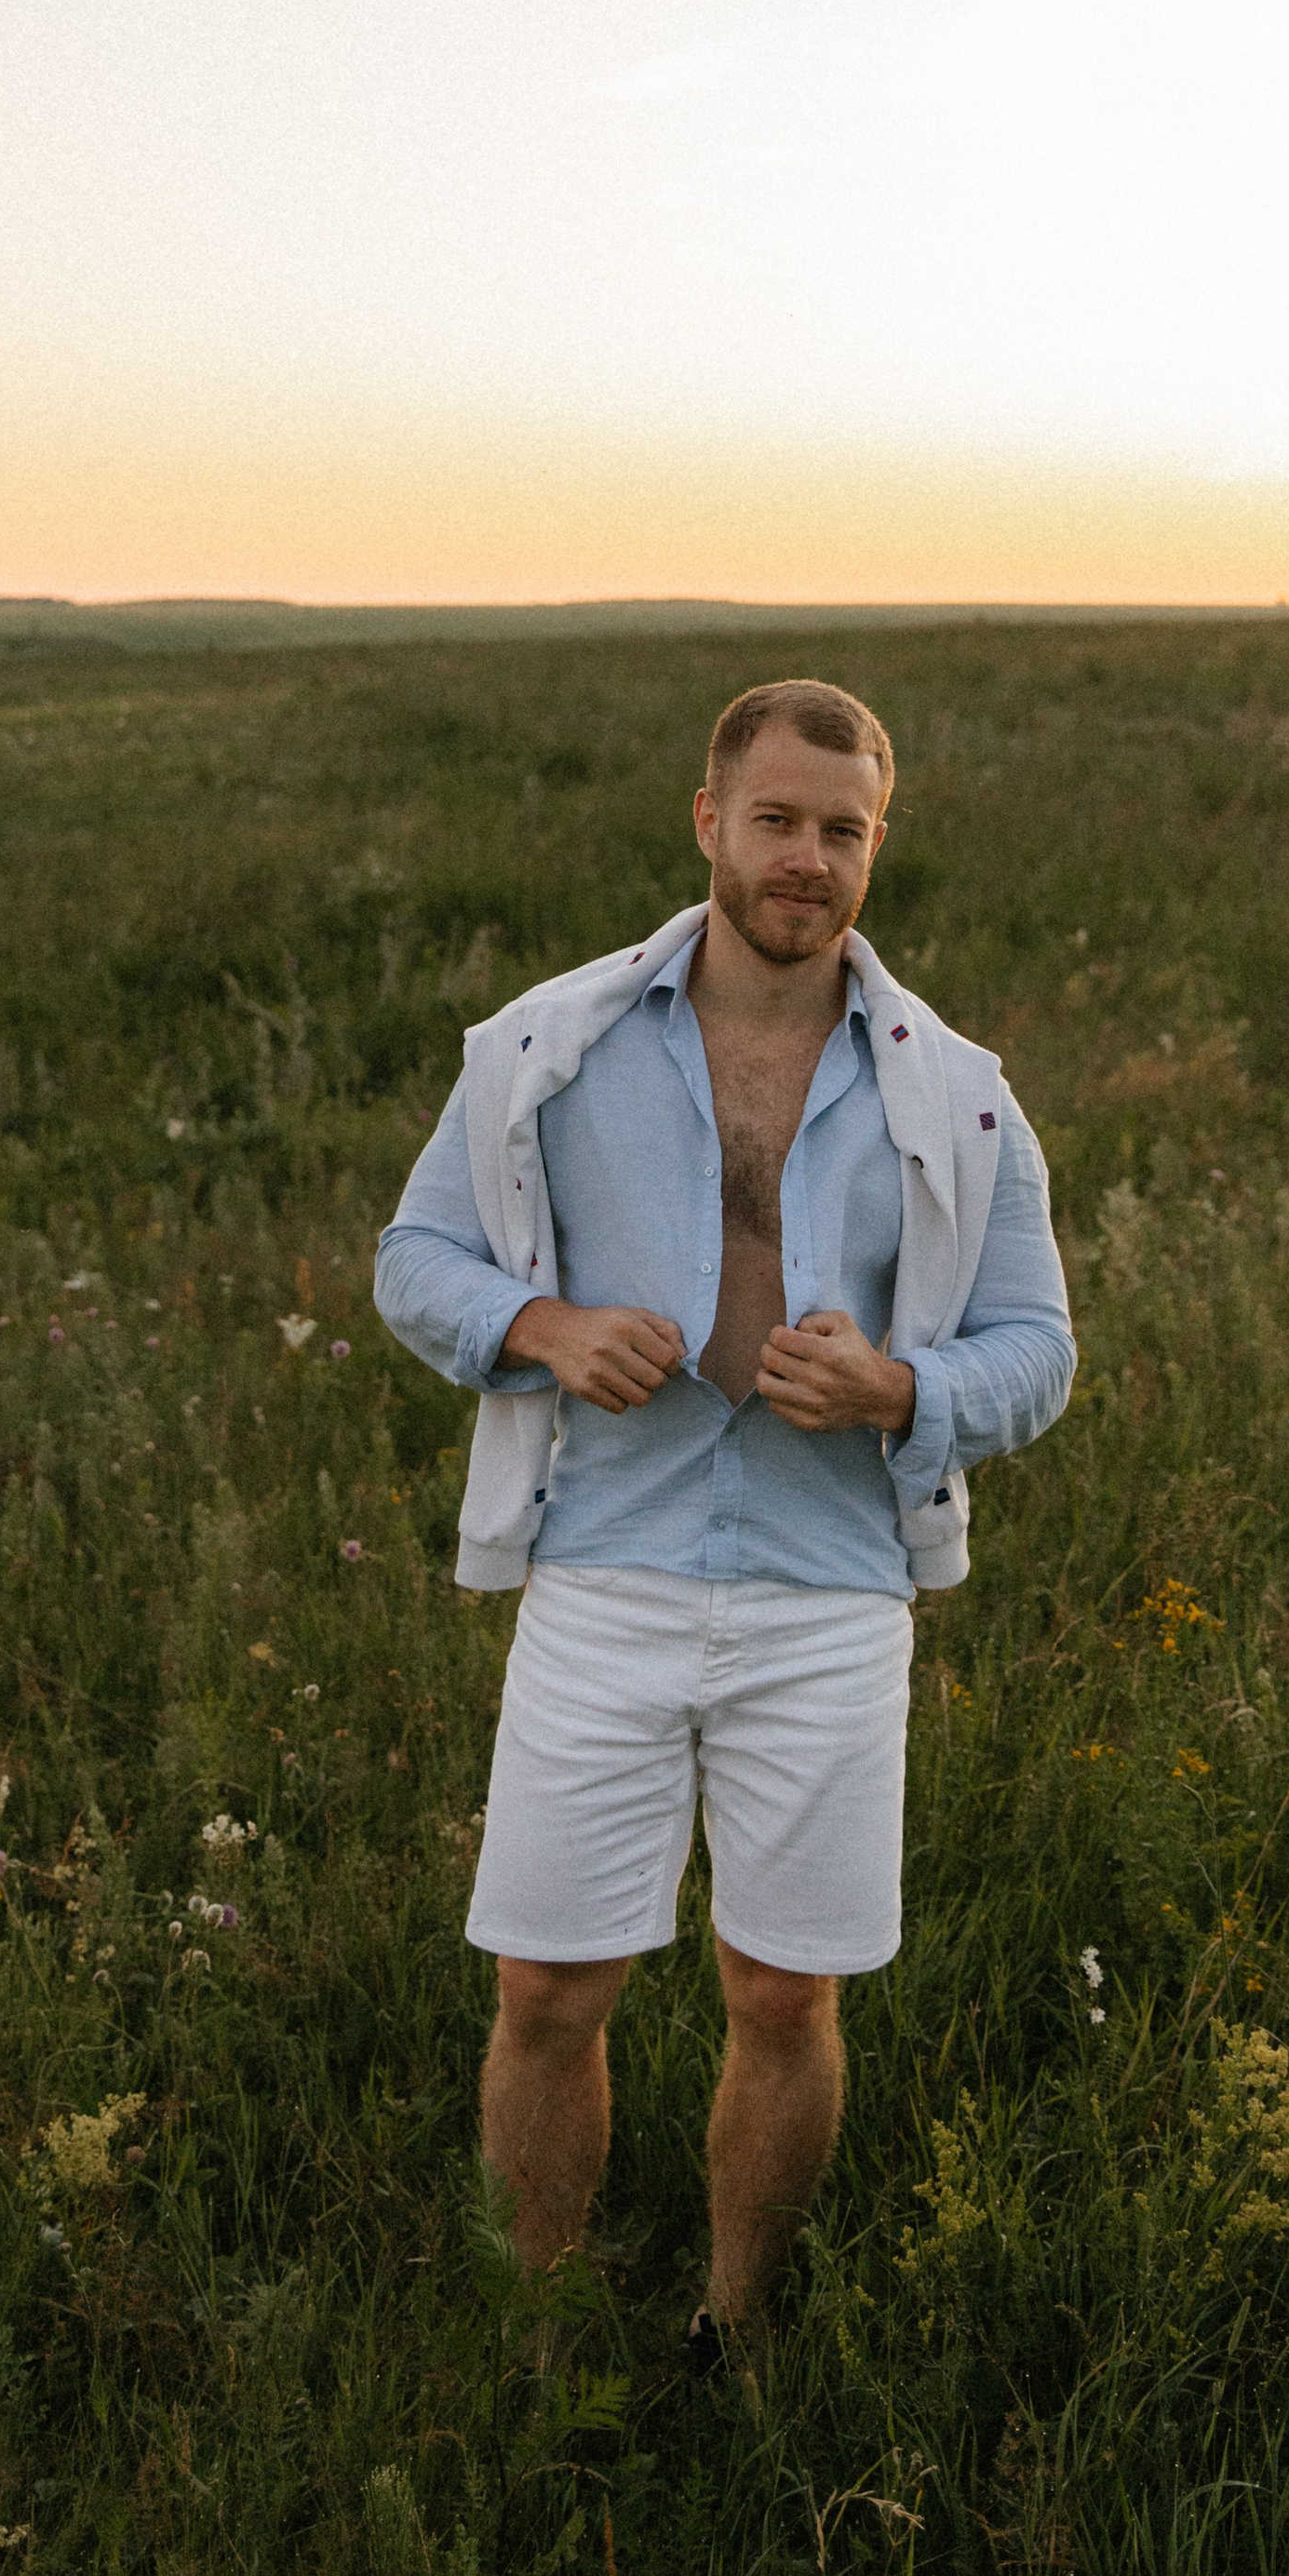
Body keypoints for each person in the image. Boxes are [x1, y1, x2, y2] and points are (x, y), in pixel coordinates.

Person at [372, 676, 1075, 2368]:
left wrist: (900, 1393)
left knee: (787, 1994)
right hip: (601, 1571)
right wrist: (544, 1331)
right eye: (776, 821)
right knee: (549, 1989)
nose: (806, 860)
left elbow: (1040, 1353)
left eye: (843, 832)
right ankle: (538, 2350)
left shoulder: (960, 1095)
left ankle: (731, 2326)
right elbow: (415, 1261)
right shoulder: (552, 1049)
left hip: (829, 1595)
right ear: (709, 823)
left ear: (874, 848)